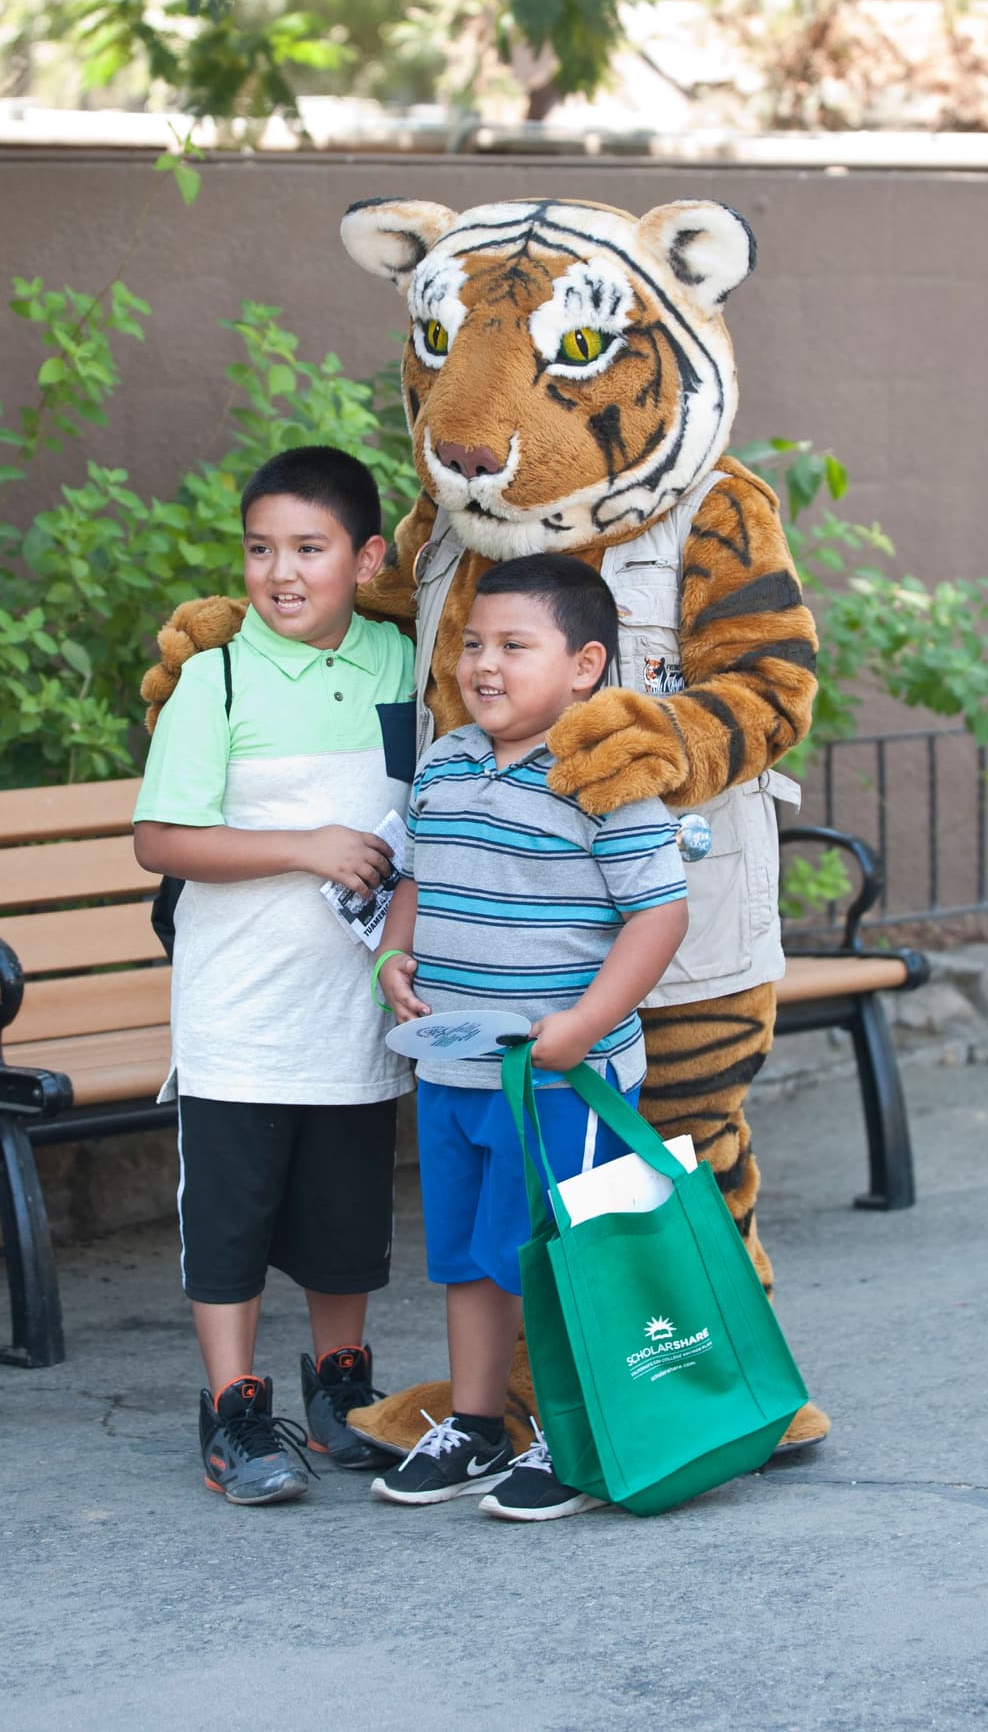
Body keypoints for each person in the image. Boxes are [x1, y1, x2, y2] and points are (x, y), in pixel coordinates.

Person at [372, 553, 689, 1521]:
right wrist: (392, 957)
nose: (483, 665)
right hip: (456, 1070)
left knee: (561, 1257)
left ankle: (575, 1434)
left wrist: (587, 1025)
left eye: (515, 646)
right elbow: (416, 881)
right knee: (470, 1254)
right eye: (473, 644)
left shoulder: (603, 777)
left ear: (585, 664)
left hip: (561, 1081)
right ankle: (475, 1425)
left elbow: (658, 916)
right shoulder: (445, 759)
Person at [133, 445, 416, 1507]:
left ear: (367, 557)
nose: (280, 573)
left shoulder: (401, 663)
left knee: (346, 1220)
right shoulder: (221, 676)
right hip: (239, 1009)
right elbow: (160, 841)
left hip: (353, 1009)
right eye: (260, 550)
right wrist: (306, 845)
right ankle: (235, 1408)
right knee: (232, 1220)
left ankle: (342, 1392)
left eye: (309, 548)